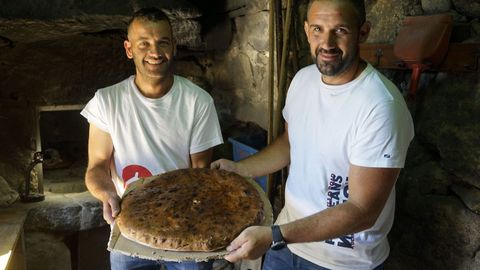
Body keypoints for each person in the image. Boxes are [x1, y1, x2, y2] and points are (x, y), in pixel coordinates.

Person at [211, 0, 414, 269]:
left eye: (340, 30)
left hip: (341, 260)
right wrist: (240, 169)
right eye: (318, 29)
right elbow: (289, 143)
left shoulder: (380, 106)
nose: (327, 43)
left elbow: (363, 211)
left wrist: (273, 235)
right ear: (307, 31)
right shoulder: (303, 80)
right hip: (286, 243)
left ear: (362, 32)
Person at [81, 7, 223, 270]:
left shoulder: (198, 102)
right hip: (130, 222)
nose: (155, 53)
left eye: (163, 43)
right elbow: (97, 166)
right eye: (144, 43)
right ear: (129, 49)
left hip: (186, 227)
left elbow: (200, 176)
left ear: (174, 46)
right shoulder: (106, 101)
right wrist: (107, 194)